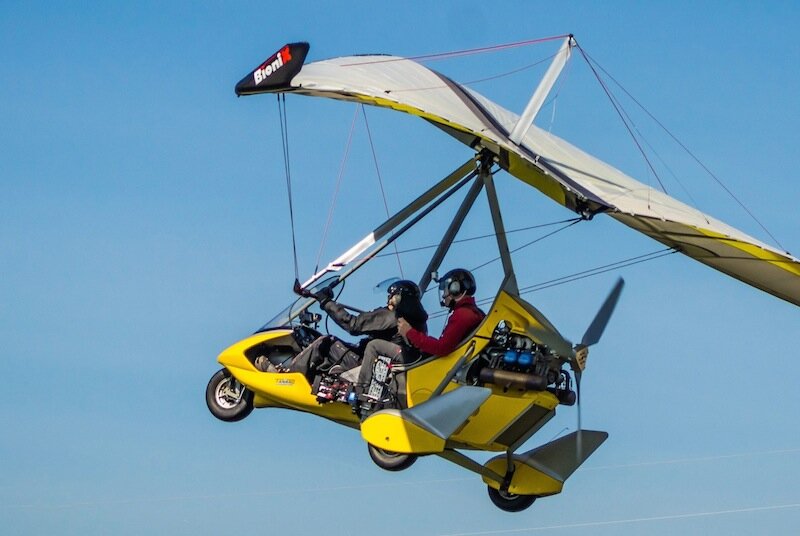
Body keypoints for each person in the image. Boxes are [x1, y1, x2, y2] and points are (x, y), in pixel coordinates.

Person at [279, 280, 427, 380]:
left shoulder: (393, 316)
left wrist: (326, 302)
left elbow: (353, 324)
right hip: (383, 369)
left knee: (326, 343)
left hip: (368, 366)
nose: (388, 299)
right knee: (340, 350)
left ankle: (288, 378)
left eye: (392, 296)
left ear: (401, 298)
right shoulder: (417, 322)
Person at [397, 268, 485, 357]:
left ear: (455, 288)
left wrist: (409, 332)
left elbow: (442, 348)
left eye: (445, 290)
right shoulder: (474, 312)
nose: (443, 295)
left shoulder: (462, 314)